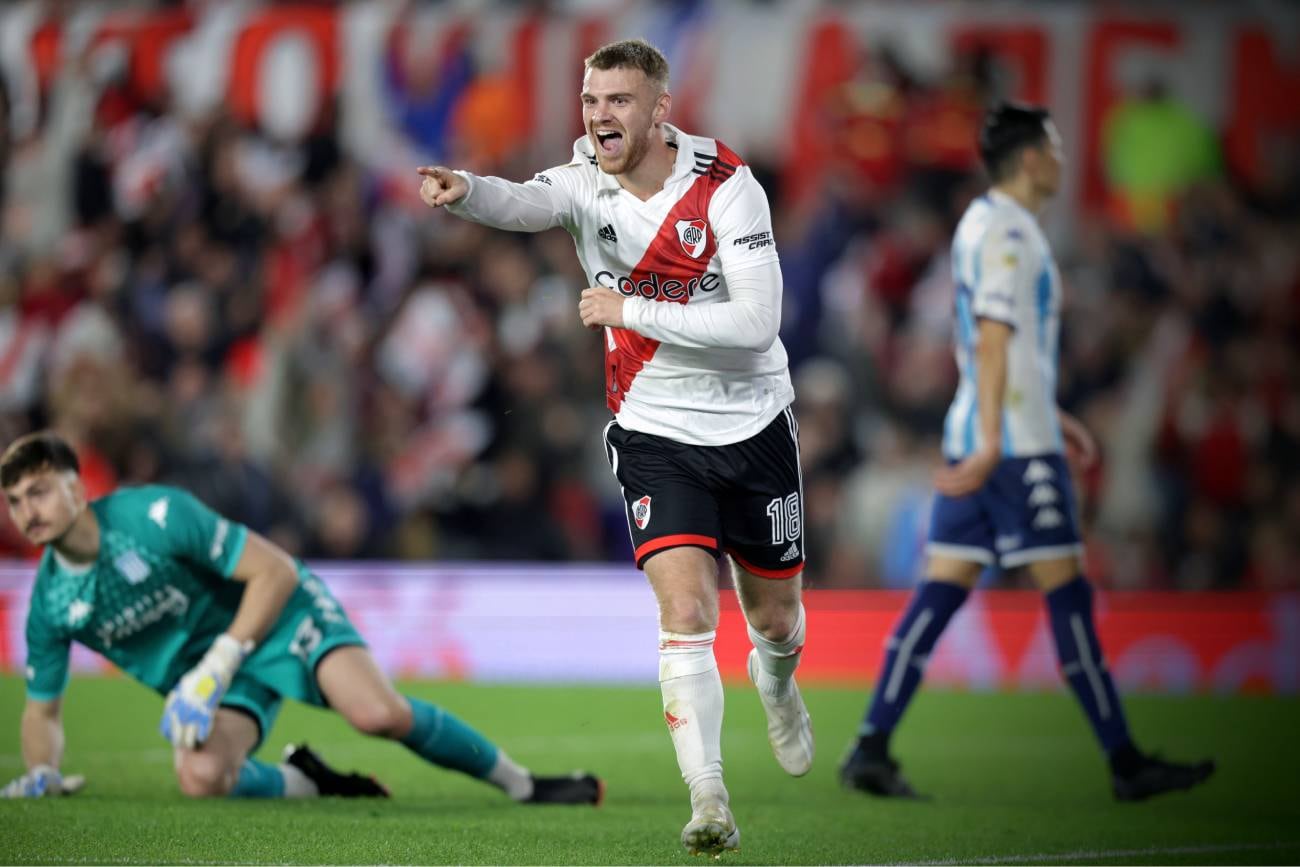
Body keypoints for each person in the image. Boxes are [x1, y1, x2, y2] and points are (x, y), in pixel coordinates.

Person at [418, 38, 812, 856]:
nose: (600, 115)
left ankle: (777, 683)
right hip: (652, 428)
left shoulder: (729, 189)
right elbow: (522, 201)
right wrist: (465, 193)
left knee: (775, 617)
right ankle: (708, 797)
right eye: (592, 99)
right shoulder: (581, 182)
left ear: (660, 109)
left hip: (751, 424)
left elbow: (755, 324)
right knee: (687, 608)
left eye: (619, 101)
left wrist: (629, 312)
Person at [838, 103, 1216, 802]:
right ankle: (1127, 764)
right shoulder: (1011, 232)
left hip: (995, 431)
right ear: (1034, 158)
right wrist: (997, 439)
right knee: (1068, 597)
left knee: (939, 594)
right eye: (1058, 146)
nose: (1065, 160)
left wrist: (1050, 412)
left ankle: (870, 744)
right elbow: (990, 336)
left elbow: (1002, 349)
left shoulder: (981, 223)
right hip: (1010, 449)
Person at [0, 431, 602, 806]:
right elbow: (42, 709)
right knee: (201, 777)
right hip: (221, 679)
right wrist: (44, 769)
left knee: (377, 713)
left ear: (78, 488)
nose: (28, 511)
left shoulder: (155, 515)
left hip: (275, 617)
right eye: (15, 501)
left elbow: (276, 572)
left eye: (40, 491)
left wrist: (216, 663)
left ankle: (524, 785)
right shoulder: (50, 603)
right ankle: (314, 782)